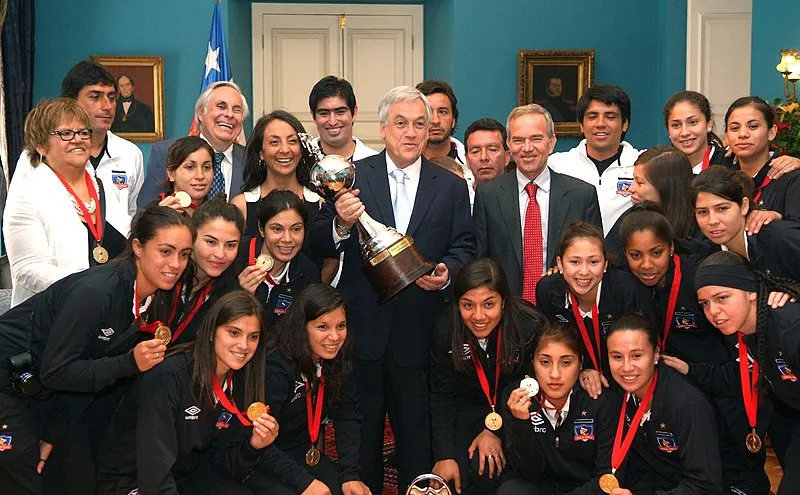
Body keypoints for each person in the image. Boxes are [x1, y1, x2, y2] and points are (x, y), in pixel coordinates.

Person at [310, 85, 475, 493]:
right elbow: (316, 242)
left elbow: (465, 246)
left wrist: (447, 273)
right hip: (363, 333)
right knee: (361, 447)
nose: (411, 132)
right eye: (401, 123)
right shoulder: (351, 177)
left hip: (421, 336)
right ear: (383, 128)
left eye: (420, 124)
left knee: (418, 448)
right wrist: (341, 223)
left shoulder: (450, 185)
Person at [0, 204, 194, 494]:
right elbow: (57, 370)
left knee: (77, 480)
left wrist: (53, 433)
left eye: (184, 254)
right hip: (9, 383)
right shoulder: (98, 292)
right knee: (23, 478)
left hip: (47, 393)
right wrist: (129, 363)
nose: (176, 264)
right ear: (138, 247)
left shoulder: (155, 299)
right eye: (165, 251)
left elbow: (85, 374)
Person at [620, 205, 771, 494]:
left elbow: (739, 359)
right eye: (635, 255)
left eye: (656, 253)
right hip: (675, 400)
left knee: (738, 476)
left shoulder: (699, 281)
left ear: (671, 248)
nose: (646, 264)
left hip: (725, 397)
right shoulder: (627, 284)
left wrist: (695, 371)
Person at [95, 291, 279, 494]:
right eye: (234, 333)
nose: (244, 345)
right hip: (131, 480)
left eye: (253, 337)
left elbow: (224, 467)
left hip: (182, 477)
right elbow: (154, 466)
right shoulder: (169, 376)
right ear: (211, 332)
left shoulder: (240, 381)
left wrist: (253, 447)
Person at [429, 259, 545, 495]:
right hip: (467, 408)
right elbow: (441, 395)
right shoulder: (445, 329)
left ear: (504, 302)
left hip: (514, 410)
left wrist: (493, 431)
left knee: (489, 471)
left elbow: (532, 387)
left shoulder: (529, 326)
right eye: (468, 305)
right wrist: (445, 455)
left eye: (489, 304)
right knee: (453, 480)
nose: (478, 316)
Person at [243, 284, 370, 495]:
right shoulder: (276, 366)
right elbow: (258, 440)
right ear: (302, 327)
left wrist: (351, 474)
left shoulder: (338, 358)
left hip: (301, 453)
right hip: (261, 460)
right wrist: (305, 483)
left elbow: (347, 414)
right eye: (322, 327)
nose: (334, 337)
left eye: (341, 326)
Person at [691, 251, 800, 493]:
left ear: (751, 292)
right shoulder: (744, 332)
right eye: (705, 304)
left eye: (722, 298)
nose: (713, 311)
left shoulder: (790, 329)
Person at [472, 104, 602, 303]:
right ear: (509, 145)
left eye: (536, 139)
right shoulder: (488, 195)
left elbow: (595, 258)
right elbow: (480, 260)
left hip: (565, 308)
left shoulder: (582, 195)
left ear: (551, 142)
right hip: (507, 309)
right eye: (518, 140)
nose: (527, 148)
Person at [4, 98, 127, 307]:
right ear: (40, 145)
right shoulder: (28, 194)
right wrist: (92, 286)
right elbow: (27, 269)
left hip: (113, 311)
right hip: (55, 316)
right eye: (66, 133)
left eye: (83, 132)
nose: (78, 139)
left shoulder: (102, 186)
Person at [11, 60, 144, 236]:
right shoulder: (39, 155)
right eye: (95, 97)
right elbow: (18, 219)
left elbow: (132, 215)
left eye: (112, 98)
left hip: (116, 250)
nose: (107, 106)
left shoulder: (130, 153)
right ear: (71, 102)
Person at [604, 313, 723, 494]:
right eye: (617, 357)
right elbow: (653, 471)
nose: (626, 367)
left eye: (636, 356)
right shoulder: (619, 391)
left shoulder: (687, 404)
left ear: (656, 354)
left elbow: (706, 486)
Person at [498, 322, 616, 495]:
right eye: (545, 362)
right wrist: (522, 424)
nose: (555, 374)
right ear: (533, 361)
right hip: (540, 487)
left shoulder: (601, 401)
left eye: (566, 362)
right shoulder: (516, 397)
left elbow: (607, 477)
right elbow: (527, 473)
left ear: (581, 364)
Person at [536, 221, 654, 393]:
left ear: (605, 264)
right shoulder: (547, 291)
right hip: (578, 379)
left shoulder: (627, 290)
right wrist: (581, 370)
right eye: (574, 262)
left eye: (593, 262)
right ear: (560, 264)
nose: (584, 271)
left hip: (629, 377)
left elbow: (646, 346)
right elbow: (551, 347)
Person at [547, 85, 642, 234]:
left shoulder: (644, 165)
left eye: (610, 116)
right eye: (592, 116)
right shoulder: (556, 165)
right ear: (581, 125)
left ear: (625, 124)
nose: (600, 124)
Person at [139, 81, 248, 204]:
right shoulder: (165, 152)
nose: (229, 114)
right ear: (201, 112)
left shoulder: (251, 160)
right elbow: (144, 210)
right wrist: (162, 212)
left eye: (237, 110)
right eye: (221, 107)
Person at [159, 197, 245, 347]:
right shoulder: (163, 272)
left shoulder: (230, 295)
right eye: (211, 242)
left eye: (230, 245)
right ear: (191, 237)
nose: (220, 254)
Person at [693, 165, 800, 281]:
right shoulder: (711, 254)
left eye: (722, 209)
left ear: (744, 206)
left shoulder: (778, 238)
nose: (712, 221)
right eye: (703, 212)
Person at [605, 146, 711, 262]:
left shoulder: (703, 221)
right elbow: (610, 259)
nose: (631, 189)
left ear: (665, 187)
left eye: (639, 182)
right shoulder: (631, 217)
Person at [664, 90, 800, 178]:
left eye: (693, 122)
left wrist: (795, 162)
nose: (684, 132)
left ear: (709, 124)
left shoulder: (731, 164)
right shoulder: (662, 169)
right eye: (676, 125)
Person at [237, 189, 321, 328]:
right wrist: (238, 295)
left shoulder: (308, 273)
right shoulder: (236, 255)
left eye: (296, 229)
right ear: (261, 229)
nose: (287, 239)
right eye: (277, 229)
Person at [230, 110, 320, 239]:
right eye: (274, 142)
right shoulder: (241, 206)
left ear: (301, 150)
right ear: (261, 153)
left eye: (292, 141)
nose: (284, 150)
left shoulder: (320, 204)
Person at [724, 96, 800, 219]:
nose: (743, 134)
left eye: (753, 126)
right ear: (727, 136)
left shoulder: (792, 178)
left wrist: (775, 221)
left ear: (771, 132)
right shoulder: (722, 178)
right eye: (735, 128)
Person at [416, 80, 475, 195]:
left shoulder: (472, 162)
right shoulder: (403, 162)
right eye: (428, 113)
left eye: (442, 112)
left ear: (453, 120)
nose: (435, 121)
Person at [308, 75, 378, 161]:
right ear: (313, 116)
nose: (332, 122)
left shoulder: (377, 162)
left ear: (354, 112)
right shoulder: (300, 161)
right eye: (324, 113)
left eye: (340, 112)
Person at [156, 136, 214, 217]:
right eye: (190, 167)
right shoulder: (153, 214)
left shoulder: (218, 214)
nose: (200, 176)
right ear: (171, 173)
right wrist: (159, 219)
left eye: (207, 167)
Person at [463, 118, 511, 192]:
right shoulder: (458, 195)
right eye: (475, 151)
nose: (484, 157)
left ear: (507, 157)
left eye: (492, 149)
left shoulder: (521, 195)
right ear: (467, 160)